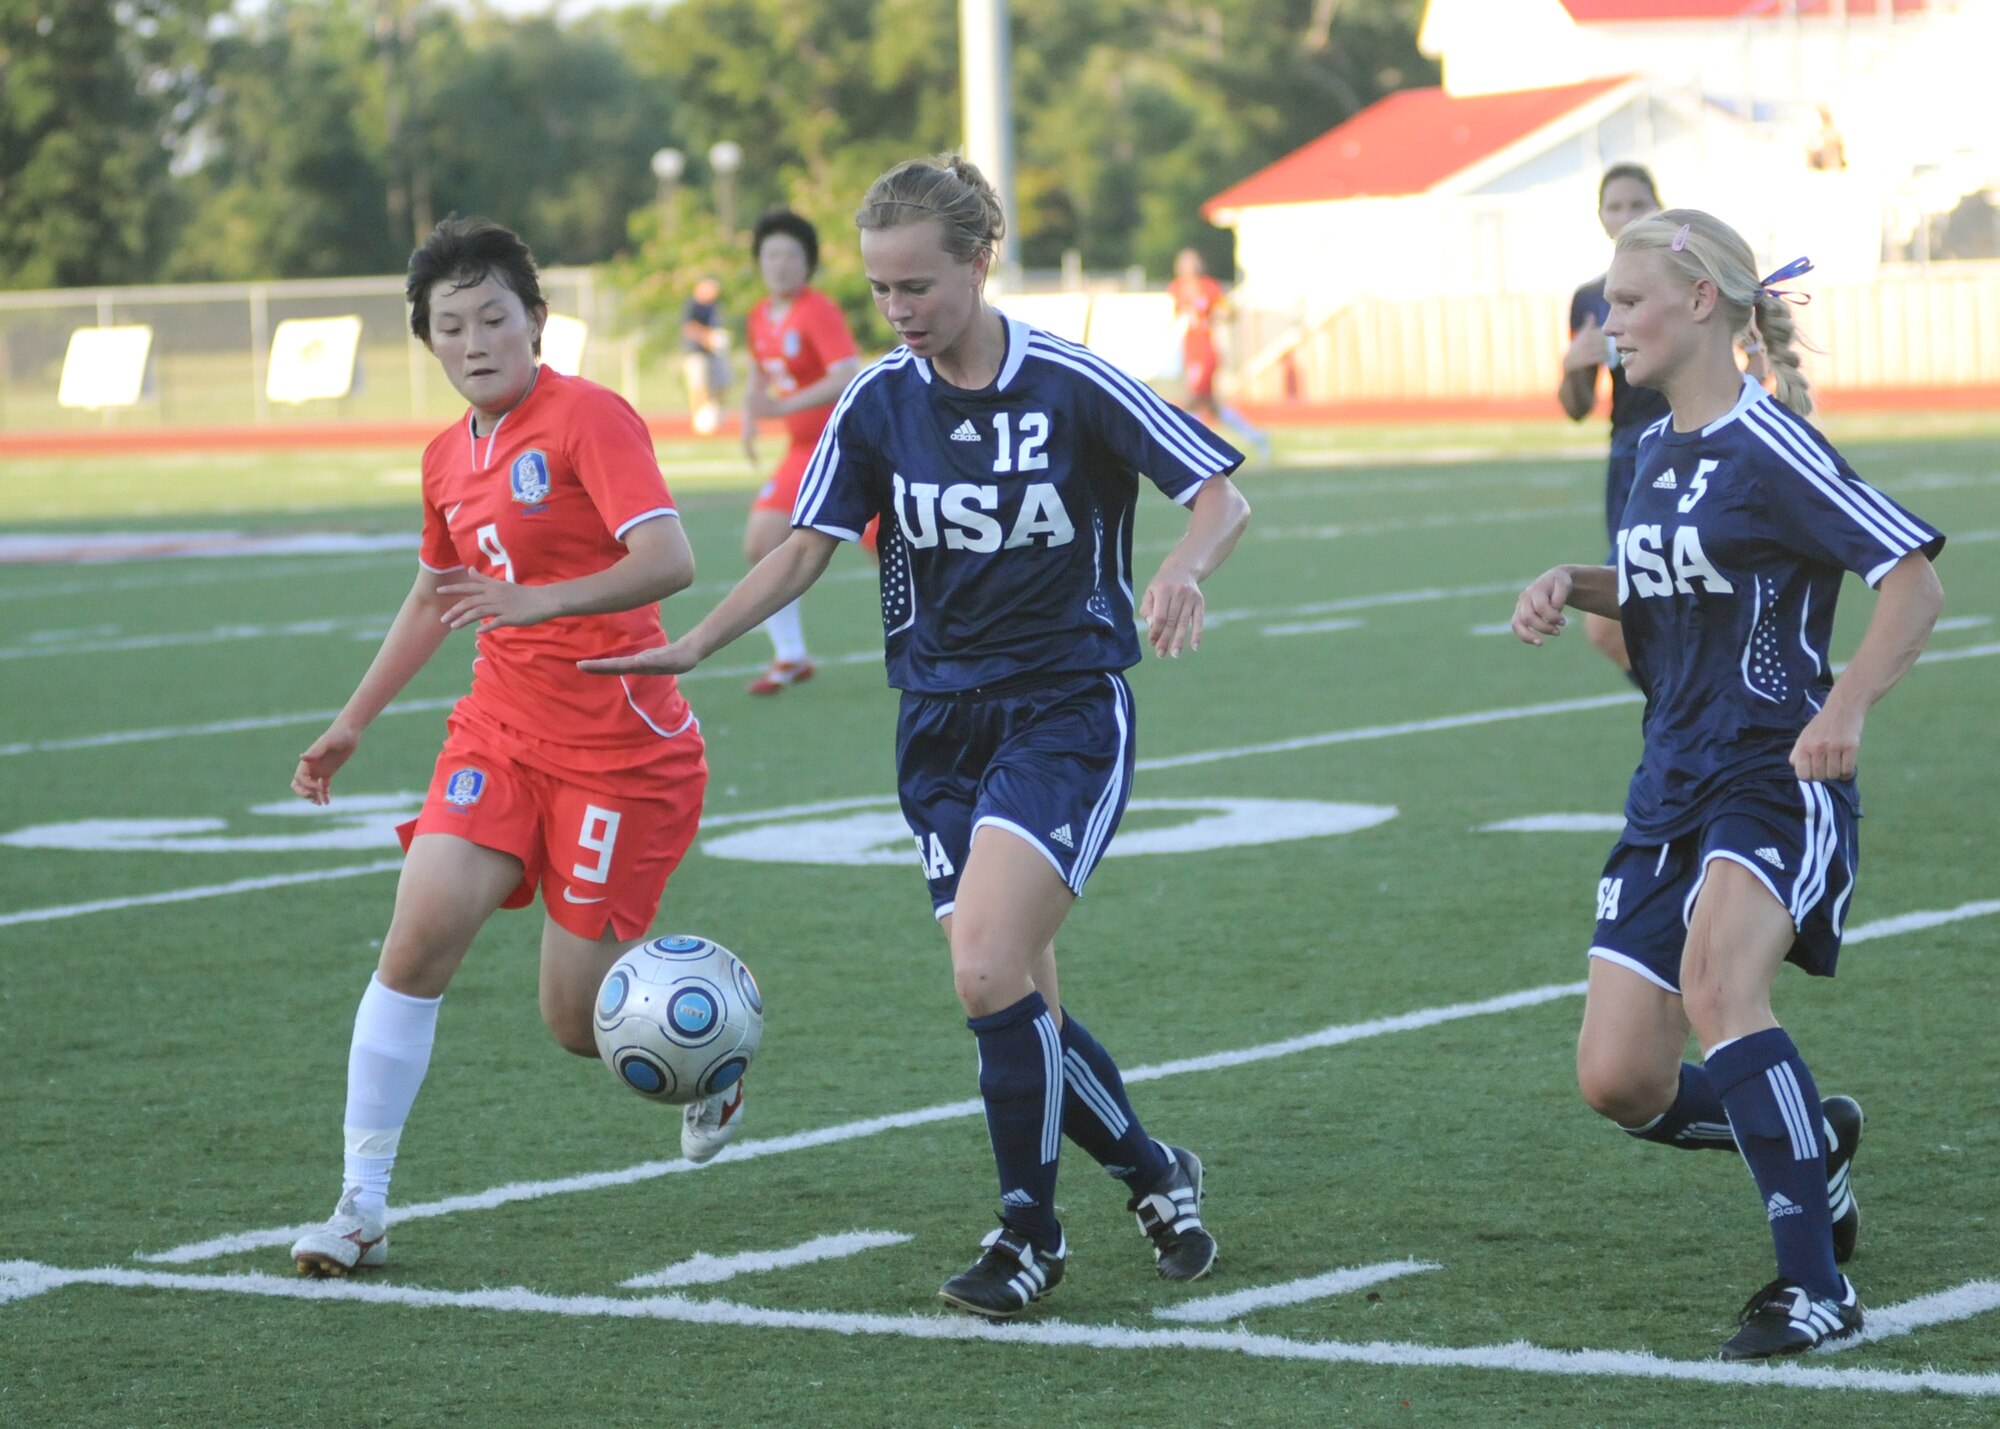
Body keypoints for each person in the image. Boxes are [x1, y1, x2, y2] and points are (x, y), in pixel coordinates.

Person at [582, 154, 1253, 1319]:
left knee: (985, 969)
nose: (897, 313)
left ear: (979, 260)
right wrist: (696, 645)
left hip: (1063, 711)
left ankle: (1027, 1236)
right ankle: (1154, 1173)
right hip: (936, 728)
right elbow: (801, 547)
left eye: (917, 288)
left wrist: (1183, 572)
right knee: (1016, 1000)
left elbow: (1217, 493)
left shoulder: (1069, 380)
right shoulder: (878, 399)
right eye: (880, 292)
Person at [1512, 208, 1945, 1360]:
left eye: (1626, 300)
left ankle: (1814, 1287)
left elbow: (1907, 578)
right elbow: (1665, 586)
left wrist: (1841, 708)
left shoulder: (1774, 445)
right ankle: (1811, 1135)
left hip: (1770, 771)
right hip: (1669, 778)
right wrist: (1575, 581)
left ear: (1701, 302)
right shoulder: (1654, 447)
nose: (1607, 325)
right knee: (1618, 1078)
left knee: (1717, 987)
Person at [286, 218, 735, 1278]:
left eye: (495, 316)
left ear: (536, 321)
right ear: (431, 346)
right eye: (452, 326)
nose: (476, 339)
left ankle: (710, 1049)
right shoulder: (447, 454)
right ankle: (359, 1204)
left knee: (579, 1024)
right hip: (498, 730)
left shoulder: (589, 418)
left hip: (620, 747)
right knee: (415, 944)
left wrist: (539, 600)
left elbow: (668, 559)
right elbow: (436, 597)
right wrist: (353, 719)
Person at [739, 210, 864, 695]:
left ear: (808, 263)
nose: (780, 264)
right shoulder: (759, 315)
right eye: (771, 254)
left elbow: (846, 372)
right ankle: (790, 655)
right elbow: (758, 368)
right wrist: (752, 417)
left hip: (844, 445)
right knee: (761, 542)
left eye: (791, 254)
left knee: (899, 548)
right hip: (802, 450)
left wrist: (780, 405)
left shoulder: (818, 310)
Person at [1558, 163, 1671, 676]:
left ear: (1659, 209)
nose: (1626, 217)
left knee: (1640, 604)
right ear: (1601, 217)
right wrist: (1574, 365)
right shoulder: (1588, 297)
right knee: (1629, 612)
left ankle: (1691, 715)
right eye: (1615, 206)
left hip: (1682, 444)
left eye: (1638, 205)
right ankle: (1684, 713)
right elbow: (1577, 407)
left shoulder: (1685, 280)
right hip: (1627, 455)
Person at [1167, 247, 1271, 461]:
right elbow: (1177, 318)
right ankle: (1257, 437)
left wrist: (1219, 315)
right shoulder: (1176, 288)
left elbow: (1227, 311)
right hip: (1189, 349)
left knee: (1191, 399)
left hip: (1204, 350)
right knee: (1212, 407)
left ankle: (1194, 449)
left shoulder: (1209, 287)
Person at [681, 276, 729, 434]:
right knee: (698, 387)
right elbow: (689, 327)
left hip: (712, 354)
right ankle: (699, 422)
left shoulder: (713, 306)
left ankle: (713, 417)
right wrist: (708, 338)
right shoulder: (693, 305)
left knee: (719, 384)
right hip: (696, 353)